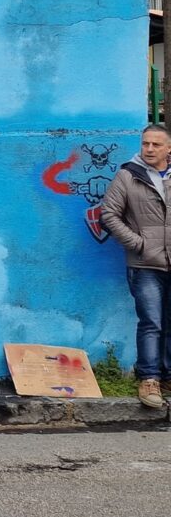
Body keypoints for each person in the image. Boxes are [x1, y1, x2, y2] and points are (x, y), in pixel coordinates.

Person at [101, 124, 171, 410]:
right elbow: (109, 213)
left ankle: (167, 377)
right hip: (145, 263)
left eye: (156, 145)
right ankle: (150, 378)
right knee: (151, 322)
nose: (150, 149)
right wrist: (138, 243)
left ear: (169, 148)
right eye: (146, 144)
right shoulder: (129, 175)